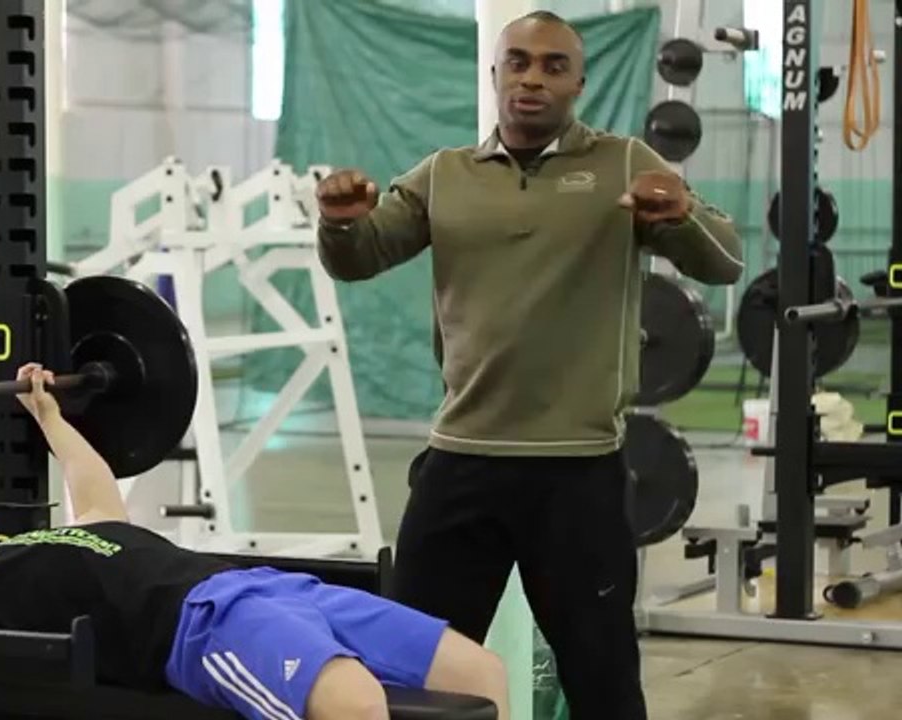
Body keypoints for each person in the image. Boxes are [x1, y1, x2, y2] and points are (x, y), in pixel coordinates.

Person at [313, 10, 743, 720]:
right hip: (461, 465)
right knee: (409, 676)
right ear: (495, 74)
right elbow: (361, 257)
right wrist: (338, 221)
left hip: (578, 474)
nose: (532, 79)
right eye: (518, 62)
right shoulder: (445, 175)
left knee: (602, 679)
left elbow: (725, 259)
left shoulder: (624, 163)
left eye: (551, 66)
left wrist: (679, 214)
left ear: (578, 83)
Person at [0, 363, 509, 720]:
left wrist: (49, 416)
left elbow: (96, 496)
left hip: (267, 589)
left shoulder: (39, 547)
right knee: (352, 703)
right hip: (204, 625)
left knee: (480, 676)